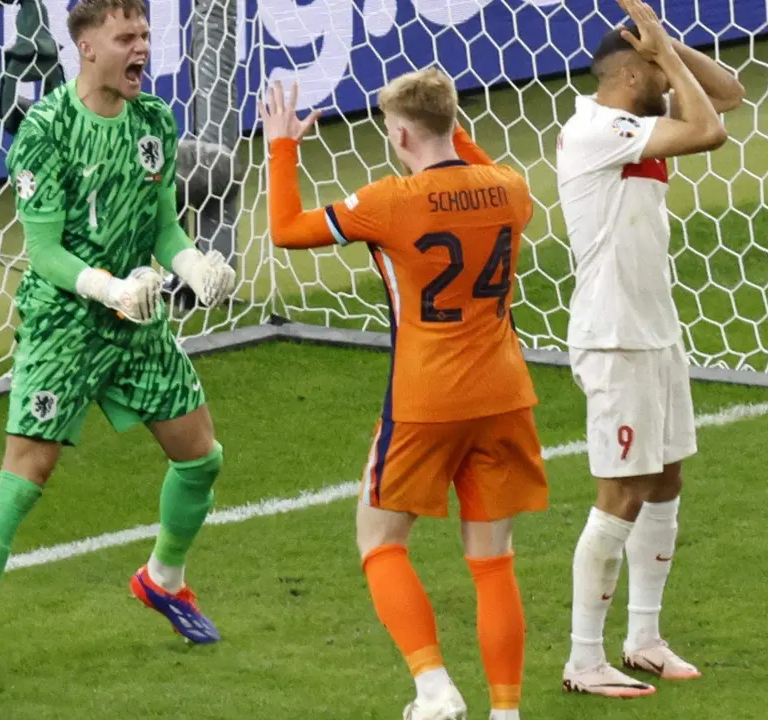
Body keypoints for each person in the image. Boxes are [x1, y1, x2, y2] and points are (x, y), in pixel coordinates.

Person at [0, 0, 238, 690]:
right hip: (66, 325)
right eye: (126, 37)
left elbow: (163, 227)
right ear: (86, 46)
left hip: (138, 323)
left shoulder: (154, 121)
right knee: (24, 477)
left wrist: (192, 264)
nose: (142, 49)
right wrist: (107, 288)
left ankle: (164, 579)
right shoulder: (45, 131)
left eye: (145, 35)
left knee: (200, 459)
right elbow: (43, 250)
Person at [263, 69, 547, 720]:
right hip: (505, 395)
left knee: (380, 540)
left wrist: (283, 147)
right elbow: (474, 165)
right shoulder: (511, 189)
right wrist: (444, 122)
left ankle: (434, 689)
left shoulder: (387, 201)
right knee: (493, 561)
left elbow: (285, 229)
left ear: (397, 134)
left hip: (425, 400)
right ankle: (506, 714)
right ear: (452, 122)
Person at [555, 0, 744, 697]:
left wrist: (670, 48)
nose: (668, 74)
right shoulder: (596, 130)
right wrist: (664, 58)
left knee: (664, 479)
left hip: (655, 331)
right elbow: (711, 128)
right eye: (657, 69)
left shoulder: (629, 118)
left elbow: (728, 92)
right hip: (614, 337)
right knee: (622, 491)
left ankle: (643, 638)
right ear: (633, 75)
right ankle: (582, 659)